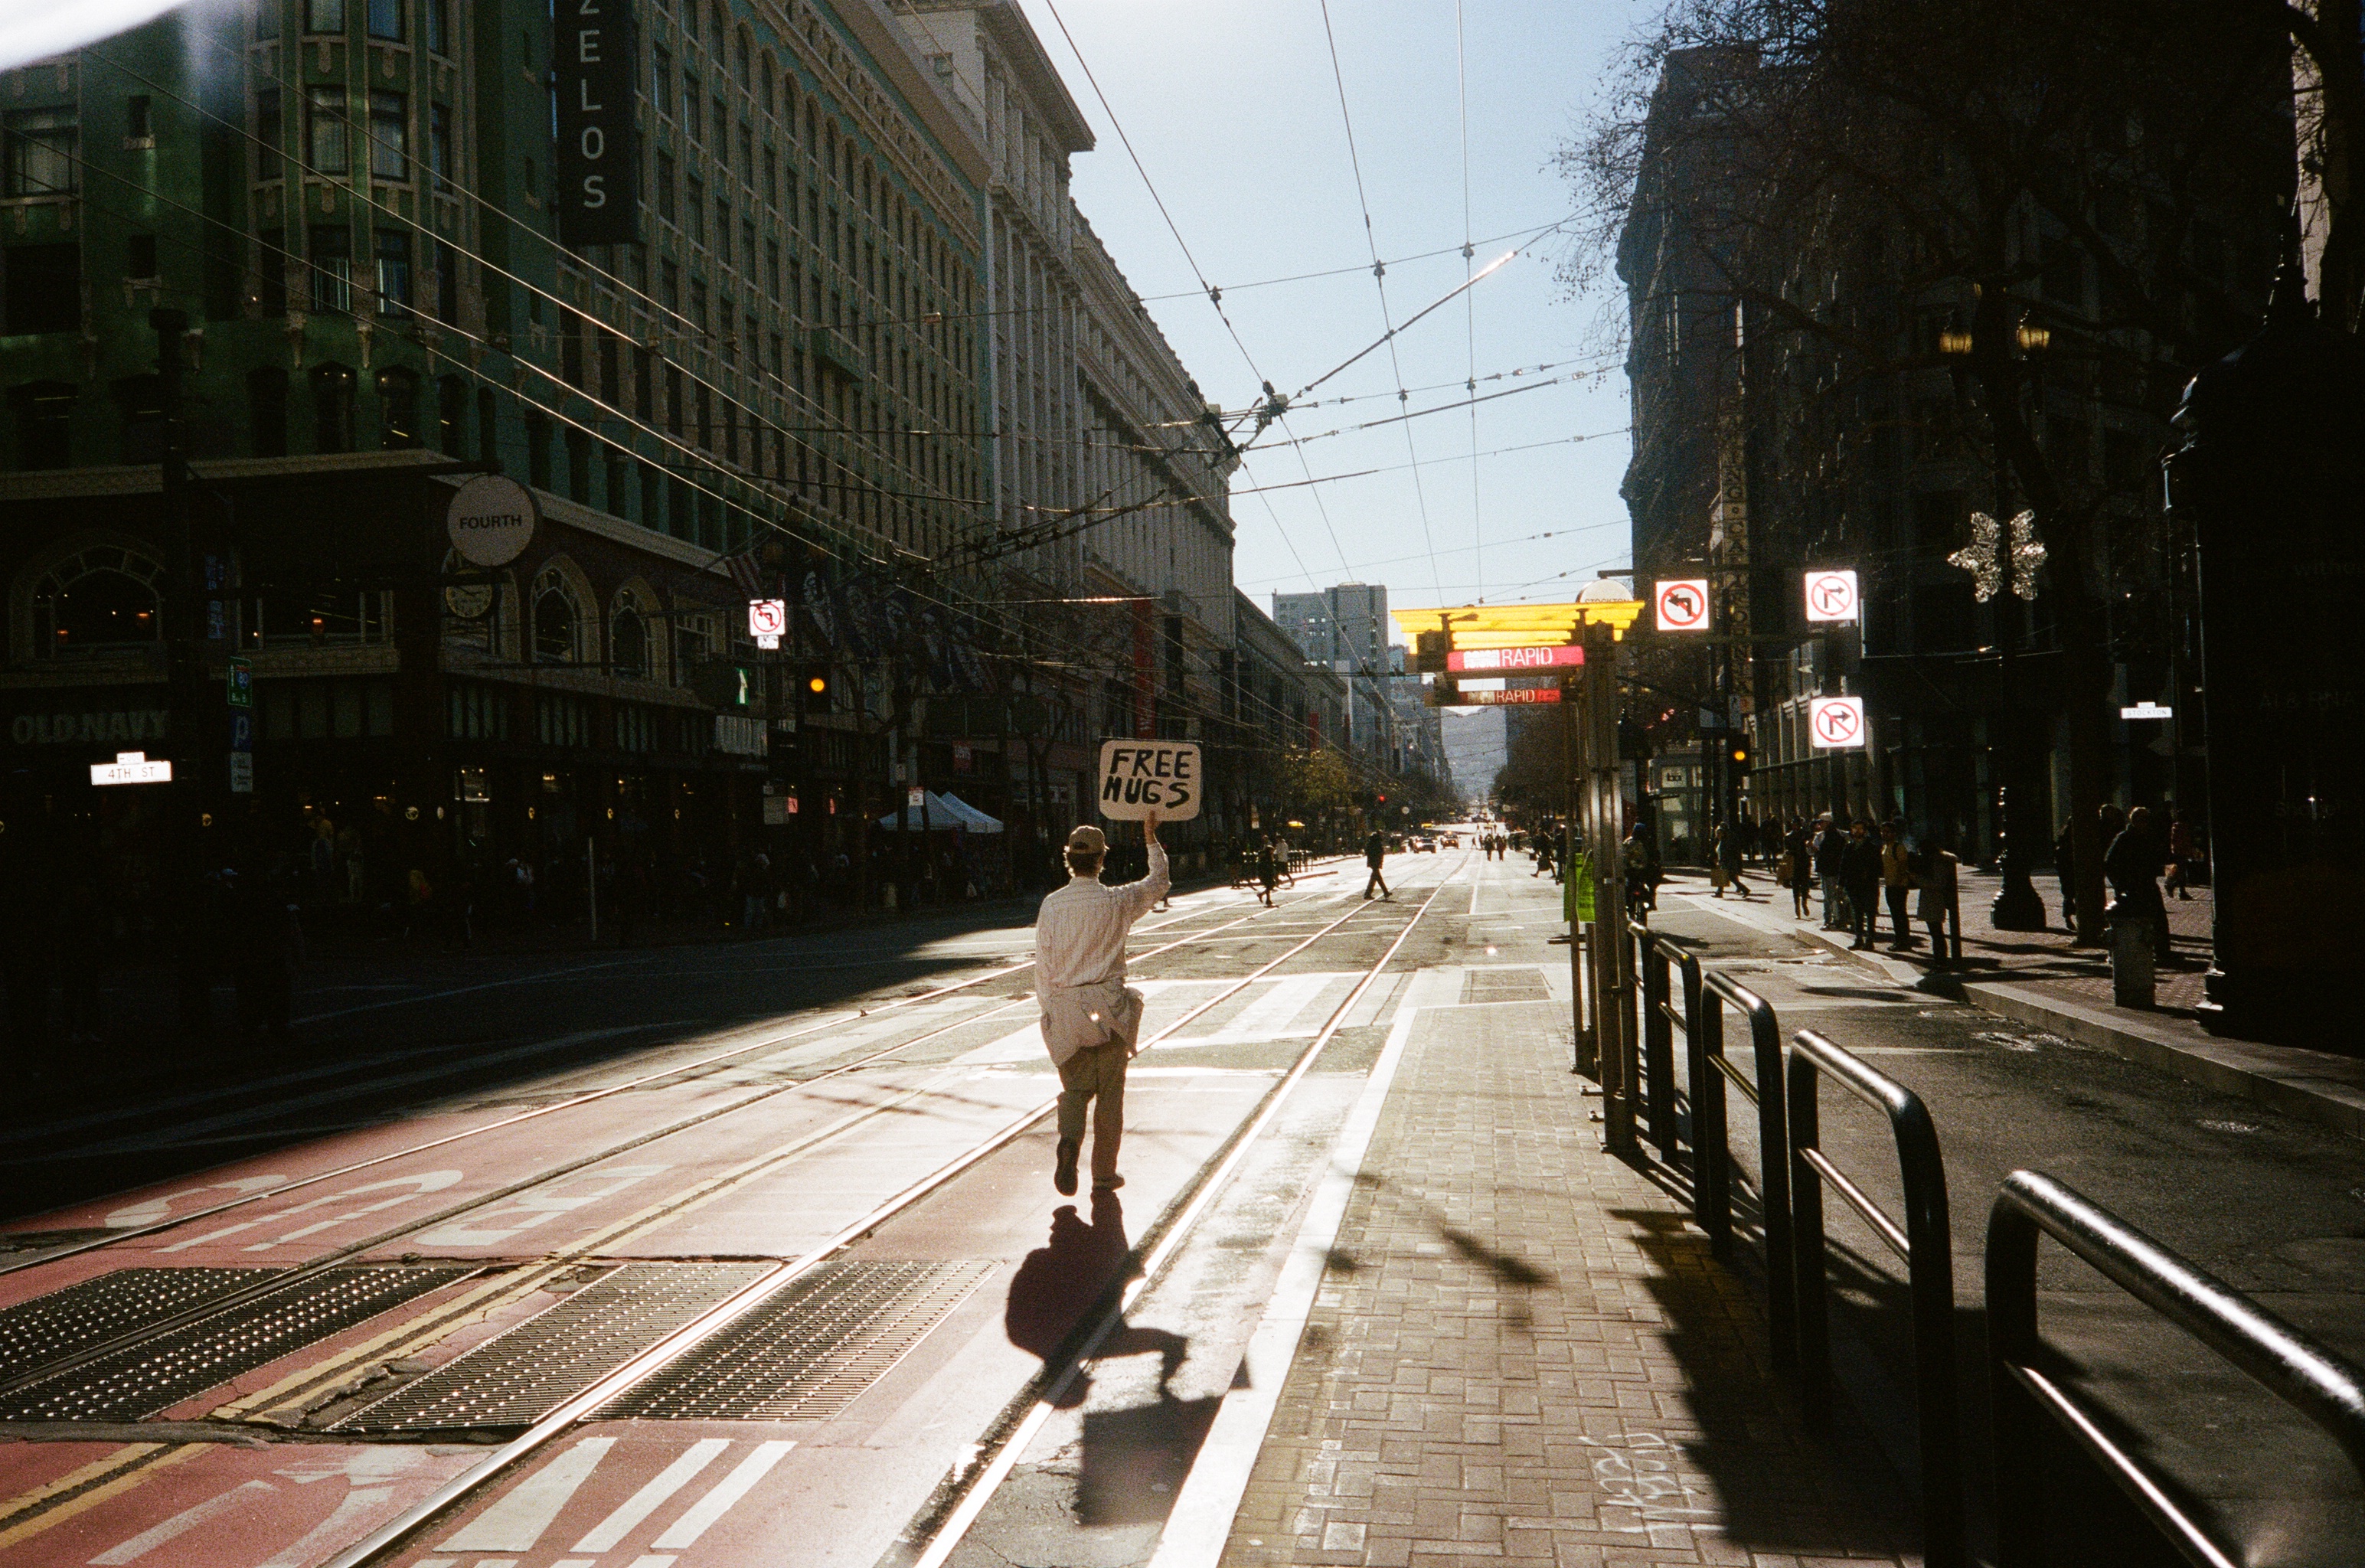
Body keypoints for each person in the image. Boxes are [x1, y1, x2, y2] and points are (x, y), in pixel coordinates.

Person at [1034, 815, 1168, 1196]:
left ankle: (1069, 1143)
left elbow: (1043, 966)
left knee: (1076, 1091)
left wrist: (1050, 1012)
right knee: (1110, 1094)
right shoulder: (1116, 901)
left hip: (1065, 1009)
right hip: (1107, 1010)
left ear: (1068, 860)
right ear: (1101, 859)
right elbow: (1159, 882)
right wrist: (1150, 838)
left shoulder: (1052, 906)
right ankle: (1104, 1175)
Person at [2105, 804, 2171, 962]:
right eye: (2141, 820)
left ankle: (2162, 950)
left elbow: (2155, 860)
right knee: (2135, 918)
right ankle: (2135, 949)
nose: (2144, 823)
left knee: (2158, 918)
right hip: (2131, 886)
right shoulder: (2124, 838)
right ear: (2133, 821)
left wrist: (2164, 868)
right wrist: (2119, 885)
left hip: (2147, 883)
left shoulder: (2149, 837)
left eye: (2146, 820)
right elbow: (2110, 863)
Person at [1841, 819, 1883, 950]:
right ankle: (1858, 939)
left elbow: (1879, 868)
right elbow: (1844, 866)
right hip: (1853, 885)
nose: (1857, 831)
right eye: (1855, 828)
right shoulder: (1849, 847)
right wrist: (1841, 884)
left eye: (1860, 829)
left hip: (1868, 885)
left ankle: (1870, 940)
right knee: (1857, 913)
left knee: (1870, 913)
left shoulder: (1872, 847)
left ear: (1865, 831)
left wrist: (1868, 874)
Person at [1918, 838, 1960, 960]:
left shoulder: (1937, 862)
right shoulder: (1938, 861)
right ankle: (1940, 960)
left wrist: (1918, 879)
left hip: (1935, 899)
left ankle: (1941, 961)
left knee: (1936, 933)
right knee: (1936, 932)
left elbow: (1937, 883)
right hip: (1933, 899)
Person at [1879, 820, 1917, 949]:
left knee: (1900, 914)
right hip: (1889, 885)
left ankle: (1904, 941)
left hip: (1898, 886)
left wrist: (1897, 882)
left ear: (1894, 834)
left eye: (1888, 832)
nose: (1885, 834)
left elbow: (1902, 866)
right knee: (1895, 914)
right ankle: (1900, 940)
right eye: (1883, 832)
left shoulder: (1898, 847)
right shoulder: (1885, 847)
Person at [1812, 814, 1847, 929]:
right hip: (1833, 870)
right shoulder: (1840, 834)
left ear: (1828, 822)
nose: (1819, 824)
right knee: (1834, 896)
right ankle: (1836, 919)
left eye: (1822, 822)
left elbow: (1812, 851)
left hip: (1831, 870)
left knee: (1831, 896)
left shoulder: (1826, 836)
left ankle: (1833, 920)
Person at [1785, 818, 1814, 919]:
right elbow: (1787, 850)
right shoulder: (1789, 836)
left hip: (1804, 863)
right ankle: (1797, 906)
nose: (1795, 826)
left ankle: (1803, 903)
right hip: (1796, 864)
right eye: (1794, 824)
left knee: (1804, 885)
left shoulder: (1806, 834)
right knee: (1796, 886)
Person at [1714, 823, 1753, 899]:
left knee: (1731, 878)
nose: (1717, 835)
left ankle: (1745, 890)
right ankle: (1719, 892)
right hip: (1727, 862)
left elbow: (1725, 854)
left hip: (1727, 863)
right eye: (1717, 833)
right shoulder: (1722, 841)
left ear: (1723, 834)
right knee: (1726, 877)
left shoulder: (1725, 842)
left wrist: (1720, 861)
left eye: (1719, 833)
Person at [2164, 809, 2197, 900]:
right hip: (2182, 852)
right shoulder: (2184, 827)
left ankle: (2179, 890)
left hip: (2177, 851)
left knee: (2180, 872)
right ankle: (2174, 887)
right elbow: (2186, 841)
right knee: (2182, 873)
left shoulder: (2175, 827)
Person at [1364, 828, 1392, 900]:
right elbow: (1379, 853)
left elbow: (1367, 852)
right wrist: (1379, 862)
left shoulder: (1372, 842)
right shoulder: (1376, 842)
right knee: (1378, 879)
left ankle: (1368, 894)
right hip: (1375, 863)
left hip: (1373, 862)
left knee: (1374, 879)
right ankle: (1385, 892)